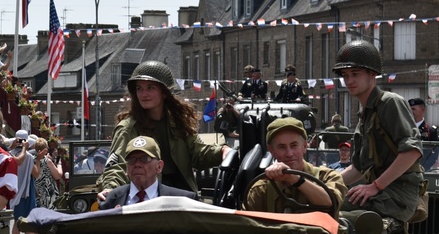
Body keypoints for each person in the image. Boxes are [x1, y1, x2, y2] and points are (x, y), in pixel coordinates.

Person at [96, 60, 228, 201]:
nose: (144, 94)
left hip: (182, 193)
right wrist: (110, 188)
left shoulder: (177, 122)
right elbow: (116, 165)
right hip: (148, 196)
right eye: (139, 88)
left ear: (164, 93)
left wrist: (223, 151)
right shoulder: (128, 128)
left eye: (150, 87)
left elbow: (197, 153)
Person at [334, 41, 424, 223]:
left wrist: (376, 186)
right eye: (345, 75)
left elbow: (412, 151)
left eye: (355, 74)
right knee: (324, 202)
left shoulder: (389, 103)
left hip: (397, 196)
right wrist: (325, 183)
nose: (349, 81)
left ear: (372, 74)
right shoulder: (366, 113)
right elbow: (358, 168)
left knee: (334, 215)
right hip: (383, 193)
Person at [242, 119, 345, 215]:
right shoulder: (261, 189)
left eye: (294, 145)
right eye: (281, 147)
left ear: (304, 146)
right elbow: (247, 225)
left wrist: (294, 178)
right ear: (272, 150)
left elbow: (331, 204)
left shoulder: (327, 177)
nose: (289, 153)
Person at [100, 136, 196, 208]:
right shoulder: (111, 199)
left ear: (159, 166)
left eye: (145, 159)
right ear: (127, 168)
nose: (137, 164)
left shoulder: (182, 201)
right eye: (132, 159)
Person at [9, 131, 38, 234]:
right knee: (29, 222)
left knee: (16, 222)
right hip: (27, 191)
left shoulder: (9, 155)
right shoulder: (29, 157)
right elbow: (36, 174)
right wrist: (39, 161)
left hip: (14, 193)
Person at [33, 138, 63, 210]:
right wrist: (59, 164)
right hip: (48, 193)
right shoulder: (47, 161)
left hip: (37, 192)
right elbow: (58, 175)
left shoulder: (32, 160)